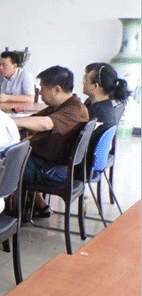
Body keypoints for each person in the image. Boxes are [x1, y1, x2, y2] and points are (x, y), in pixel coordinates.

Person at [15, 66, 89, 218]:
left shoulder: (74, 109)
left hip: (54, 172)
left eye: (42, 88)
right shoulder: (61, 106)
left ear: (57, 89)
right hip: (49, 164)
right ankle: (38, 205)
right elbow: (34, 119)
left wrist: (9, 123)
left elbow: (46, 123)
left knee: (5, 163)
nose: (40, 93)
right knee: (15, 156)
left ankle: (6, 214)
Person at [82, 62, 129, 126]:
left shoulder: (96, 113)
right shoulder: (102, 106)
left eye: (86, 79)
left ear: (95, 86)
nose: (84, 82)